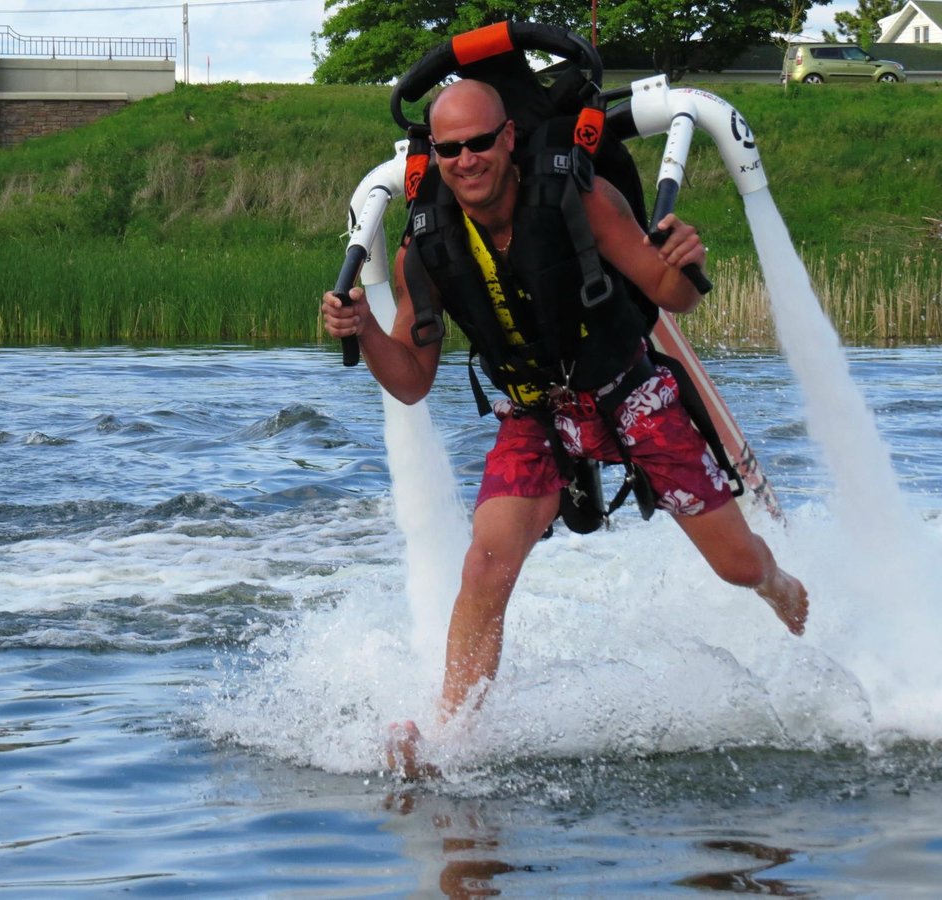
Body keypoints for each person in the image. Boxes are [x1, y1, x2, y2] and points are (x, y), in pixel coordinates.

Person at [320, 79, 809, 778]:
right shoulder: (423, 249)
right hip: (535, 414)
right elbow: (412, 381)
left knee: (737, 567)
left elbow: (673, 296)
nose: (467, 161)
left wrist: (687, 261)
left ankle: (782, 585)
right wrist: (364, 327)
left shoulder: (577, 198)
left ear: (508, 139)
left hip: (626, 391)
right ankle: (451, 738)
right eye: (450, 149)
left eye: (481, 142)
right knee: (484, 565)